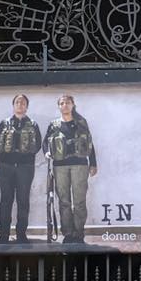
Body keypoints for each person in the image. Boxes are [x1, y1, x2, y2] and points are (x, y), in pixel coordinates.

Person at [43, 94, 97, 243]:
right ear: (59, 106)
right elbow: (45, 143)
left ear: (73, 105)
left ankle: (78, 233)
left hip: (80, 164)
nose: (65, 105)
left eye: (68, 102)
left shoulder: (81, 122)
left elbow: (90, 143)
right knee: (64, 201)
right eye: (62, 103)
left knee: (79, 201)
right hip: (60, 166)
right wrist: (46, 152)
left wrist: (93, 163)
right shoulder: (54, 125)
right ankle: (67, 233)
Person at [0, 94, 41, 243]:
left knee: (23, 200)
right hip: (5, 167)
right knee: (5, 200)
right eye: (17, 102)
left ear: (27, 106)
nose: (20, 105)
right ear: (13, 105)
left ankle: (21, 234)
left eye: (23, 102)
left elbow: (37, 145)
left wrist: (24, 156)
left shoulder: (33, 124)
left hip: (25, 168)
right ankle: (4, 234)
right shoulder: (4, 123)